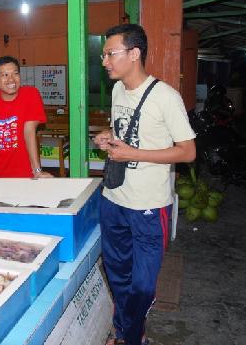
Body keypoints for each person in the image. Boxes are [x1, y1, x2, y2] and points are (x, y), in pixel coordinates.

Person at [93, 24, 196, 345]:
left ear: (134, 54)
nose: (105, 61)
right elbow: (121, 131)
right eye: (104, 54)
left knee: (143, 286)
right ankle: (128, 333)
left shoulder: (166, 97)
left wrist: (134, 153)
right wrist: (108, 138)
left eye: (111, 53)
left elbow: (188, 152)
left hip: (148, 207)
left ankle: (130, 334)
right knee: (117, 276)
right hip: (113, 199)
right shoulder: (117, 90)